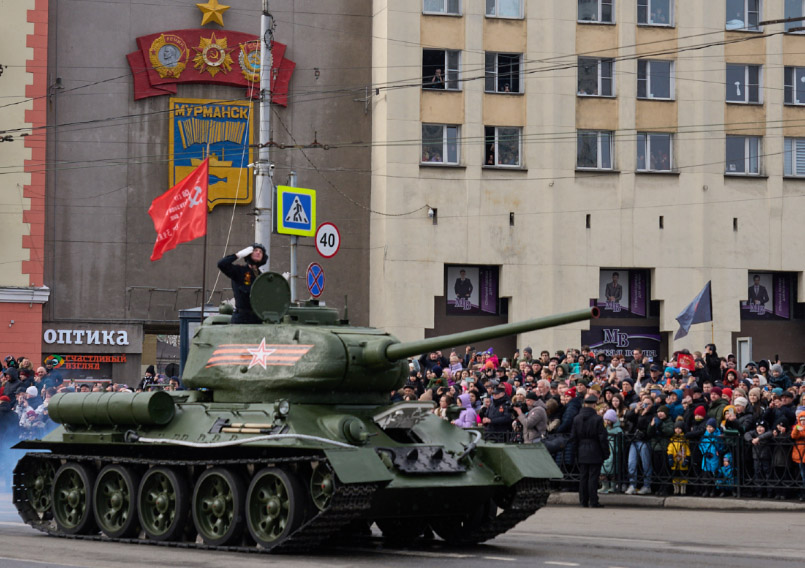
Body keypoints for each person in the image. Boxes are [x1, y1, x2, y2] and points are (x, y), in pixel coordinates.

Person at [571, 395, 610, 508]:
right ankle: (593, 501)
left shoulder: (577, 418)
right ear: (594, 405)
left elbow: (573, 437)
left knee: (583, 476)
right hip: (595, 449)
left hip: (581, 449)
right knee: (593, 477)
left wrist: (575, 452)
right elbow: (602, 437)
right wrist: (606, 452)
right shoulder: (597, 419)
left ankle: (583, 501)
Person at [217, 243, 268, 324]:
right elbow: (222, 264)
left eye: (261, 252)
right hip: (242, 318)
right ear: (249, 253)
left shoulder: (261, 276)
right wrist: (238, 255)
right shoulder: (240, 271)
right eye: (255, 250)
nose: (258, 253)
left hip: (258, 318)